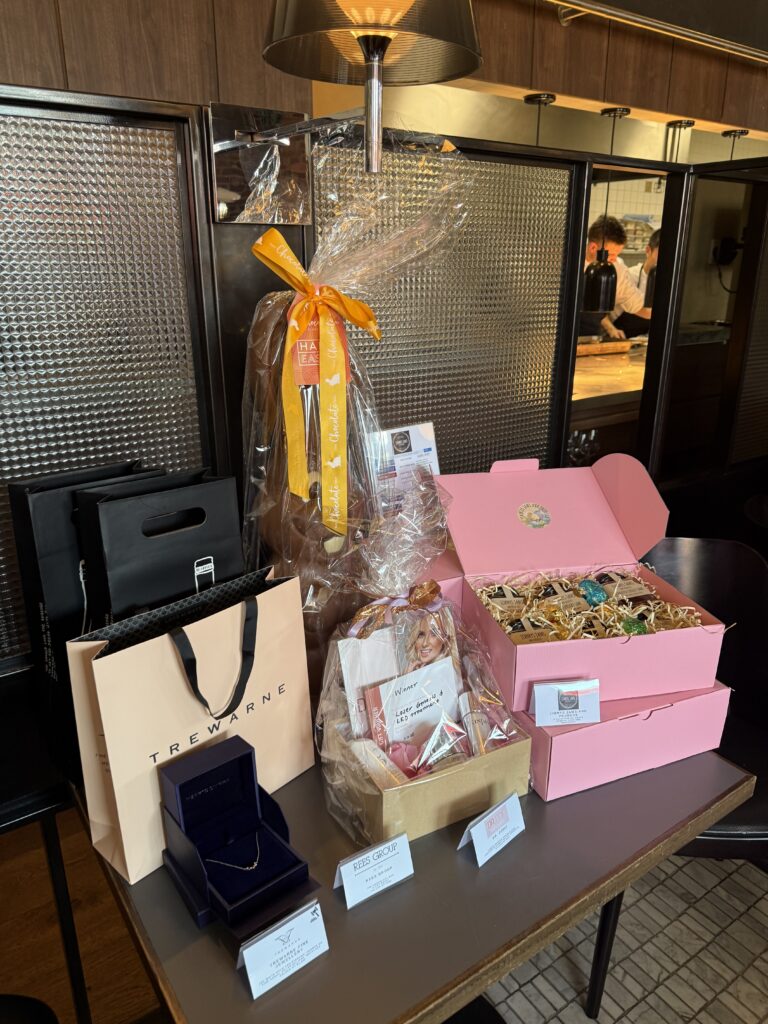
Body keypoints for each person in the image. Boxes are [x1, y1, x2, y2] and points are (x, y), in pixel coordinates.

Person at [580, 216, 651, 339]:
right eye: (611, 254)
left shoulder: (617, 269)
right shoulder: (568, 261)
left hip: (591, 336)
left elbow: (637, 304)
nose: (614, 259)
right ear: (593, 248)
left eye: (617, 255)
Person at [613, 228, 660, 338]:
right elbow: (601, 312)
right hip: (619, 337)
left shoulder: (671, 283)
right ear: (648, 250)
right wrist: (611, 329)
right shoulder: (627, 275)